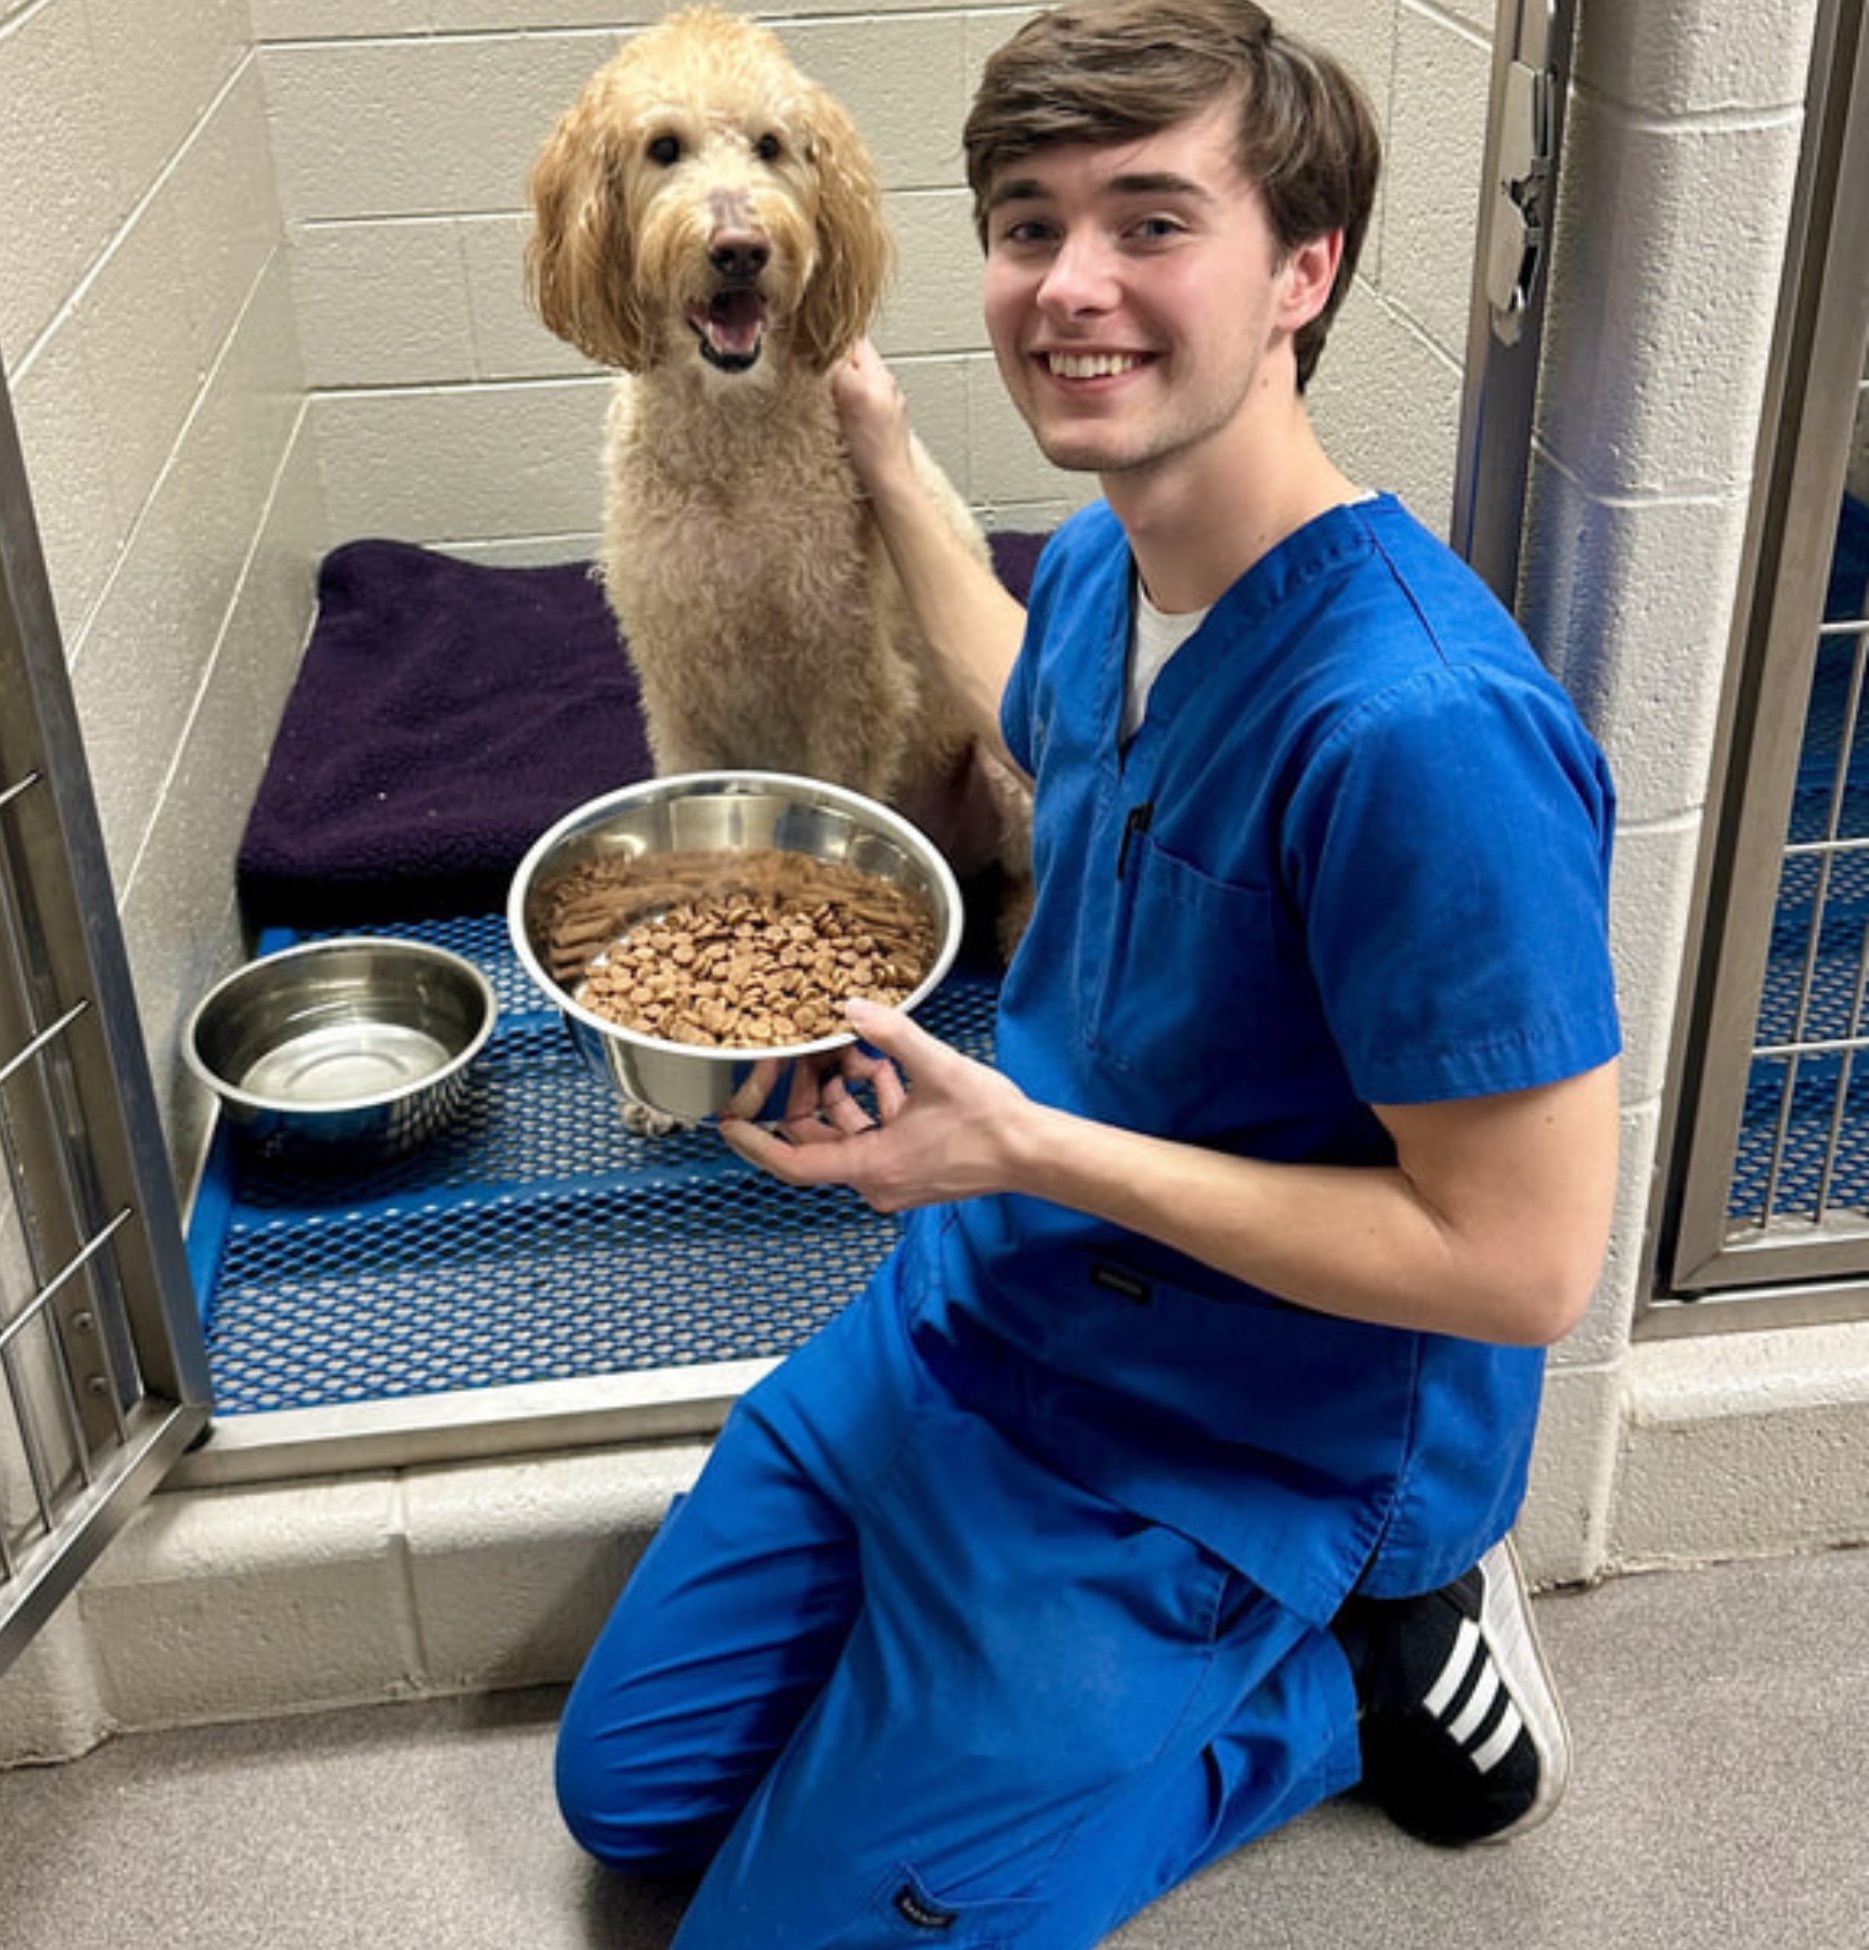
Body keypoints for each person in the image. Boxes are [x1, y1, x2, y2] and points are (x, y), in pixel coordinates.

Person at [553, 2, 1621, 1942]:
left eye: (1151, 223)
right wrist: (879, 455)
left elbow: (1526, 1264)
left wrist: (1024, 1152)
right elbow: (1032, 714)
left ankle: (1344, 1677)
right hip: (984, 1315)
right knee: (625, 1793)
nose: (1072, 284)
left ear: (1304, 268)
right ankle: (968, 1675)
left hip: (1226, 1437)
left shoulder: (1422, 731)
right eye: (1030, 224)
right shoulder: (1117, 567)